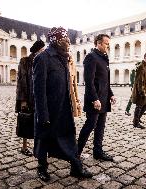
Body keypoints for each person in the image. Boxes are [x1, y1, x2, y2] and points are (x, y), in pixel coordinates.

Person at [33, 27, 92, 182]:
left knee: (69, 138)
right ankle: (42, 168)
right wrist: (43, 114)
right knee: (44, 140)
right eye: (65, 40)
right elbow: (38, 91)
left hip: (63, 108)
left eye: (68, 40)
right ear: (56, 41)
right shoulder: (42, 58)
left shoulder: (64, 57)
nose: (69, 43)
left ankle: (76, 167)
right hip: (49, 110)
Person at [77, 34, 116, 162]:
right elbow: (89, 81)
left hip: (103, 99)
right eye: (106, 43)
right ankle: (76, 152)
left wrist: (111, 94)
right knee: (90, 126)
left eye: (108, 43)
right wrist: (94, 99)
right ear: (98, 43)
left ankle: (98, 152)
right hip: (95, 100)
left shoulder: (104, 58)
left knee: (100, 127)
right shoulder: (91, 57)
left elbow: (105, 80)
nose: (107, 45)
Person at [15, 40, 45, 156]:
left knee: (38, 122)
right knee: (25, 122)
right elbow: (21, 81)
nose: (44, 51)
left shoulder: (42, 61)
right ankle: (24, 147)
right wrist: (23, 100)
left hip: (39, 97)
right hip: (28, 97)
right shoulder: (25, 61)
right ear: (38, 50)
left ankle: (38, 147)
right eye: (42, 50)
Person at [131, 52, 146, 129]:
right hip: (141, 91)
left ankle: (137, 118)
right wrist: (142, 92)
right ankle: (135, 123)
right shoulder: (141, 66)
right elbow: (139, 81)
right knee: (139, 106)